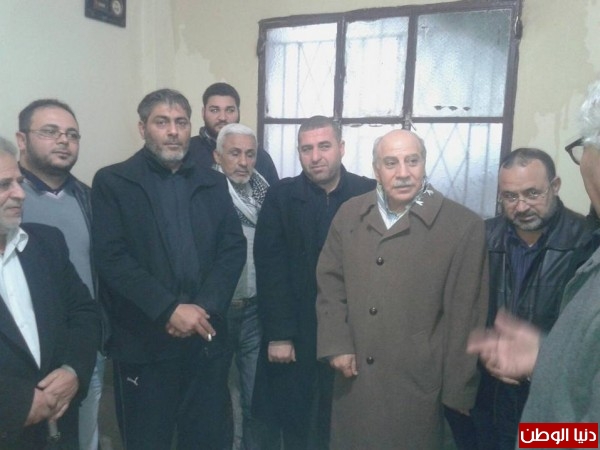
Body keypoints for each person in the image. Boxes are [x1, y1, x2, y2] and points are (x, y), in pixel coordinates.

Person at [91, 88, 246, 450]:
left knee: (208, 438)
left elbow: (232, 248)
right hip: (144, 341)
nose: (173, 131)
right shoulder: (114, 182)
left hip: (205, 339)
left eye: (181, 122)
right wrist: (169, 309)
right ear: (142, 128)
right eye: (162, 122)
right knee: (148, 440)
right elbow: (112, 258)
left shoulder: (212, 181)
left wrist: (203, 307)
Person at [316, 129, 488, 450]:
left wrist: (458, 392)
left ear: (424, 163)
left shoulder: (462, 226)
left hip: (418, 382)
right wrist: (336, 343)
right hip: (355, 378)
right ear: (376, 169)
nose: (403, 172)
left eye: (412, 161)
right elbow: (330, 282)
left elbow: (466, 315)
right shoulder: (350, 213)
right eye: (391, 163)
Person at [468, 79, 600, 441]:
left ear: (555, 187)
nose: (521, 206)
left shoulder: (587, 241)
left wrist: (545, 359)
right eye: (510, 197)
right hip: (490, 392)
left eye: (532, 193)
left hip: (553, 403)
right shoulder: (481, 238)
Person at [252, 115, 375, 449]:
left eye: (324, 146)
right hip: (297, 326)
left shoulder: (367, 193)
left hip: (353, 327)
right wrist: (279, 333)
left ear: (341, 148)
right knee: (297, 423)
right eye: (306, 149)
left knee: (347, 419)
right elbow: (270, 267)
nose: (316, 156)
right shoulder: (282, 196)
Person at [15, 98, 106, 450]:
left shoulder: (88, 198)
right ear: (22, 140)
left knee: (83, 435)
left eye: (72, 134)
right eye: (50, 132)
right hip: (25, 355)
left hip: (83, 346)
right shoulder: (11, 199)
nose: (63, 140)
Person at [213, 123, 270, 450]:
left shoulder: (266, 194)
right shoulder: (205, 194)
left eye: (250, 154)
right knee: (213, 399)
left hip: (254, 311)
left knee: (254, 399)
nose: (243, 162)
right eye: (235, 153)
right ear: (218, 156)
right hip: (215, 314)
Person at [188, 82, 279, 185]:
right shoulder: (189, 152)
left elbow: (275, 194)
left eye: (230, 110)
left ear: (238, 112)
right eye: (214, 110)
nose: (222, 117)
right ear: (203, 112)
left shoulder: (260, 157)